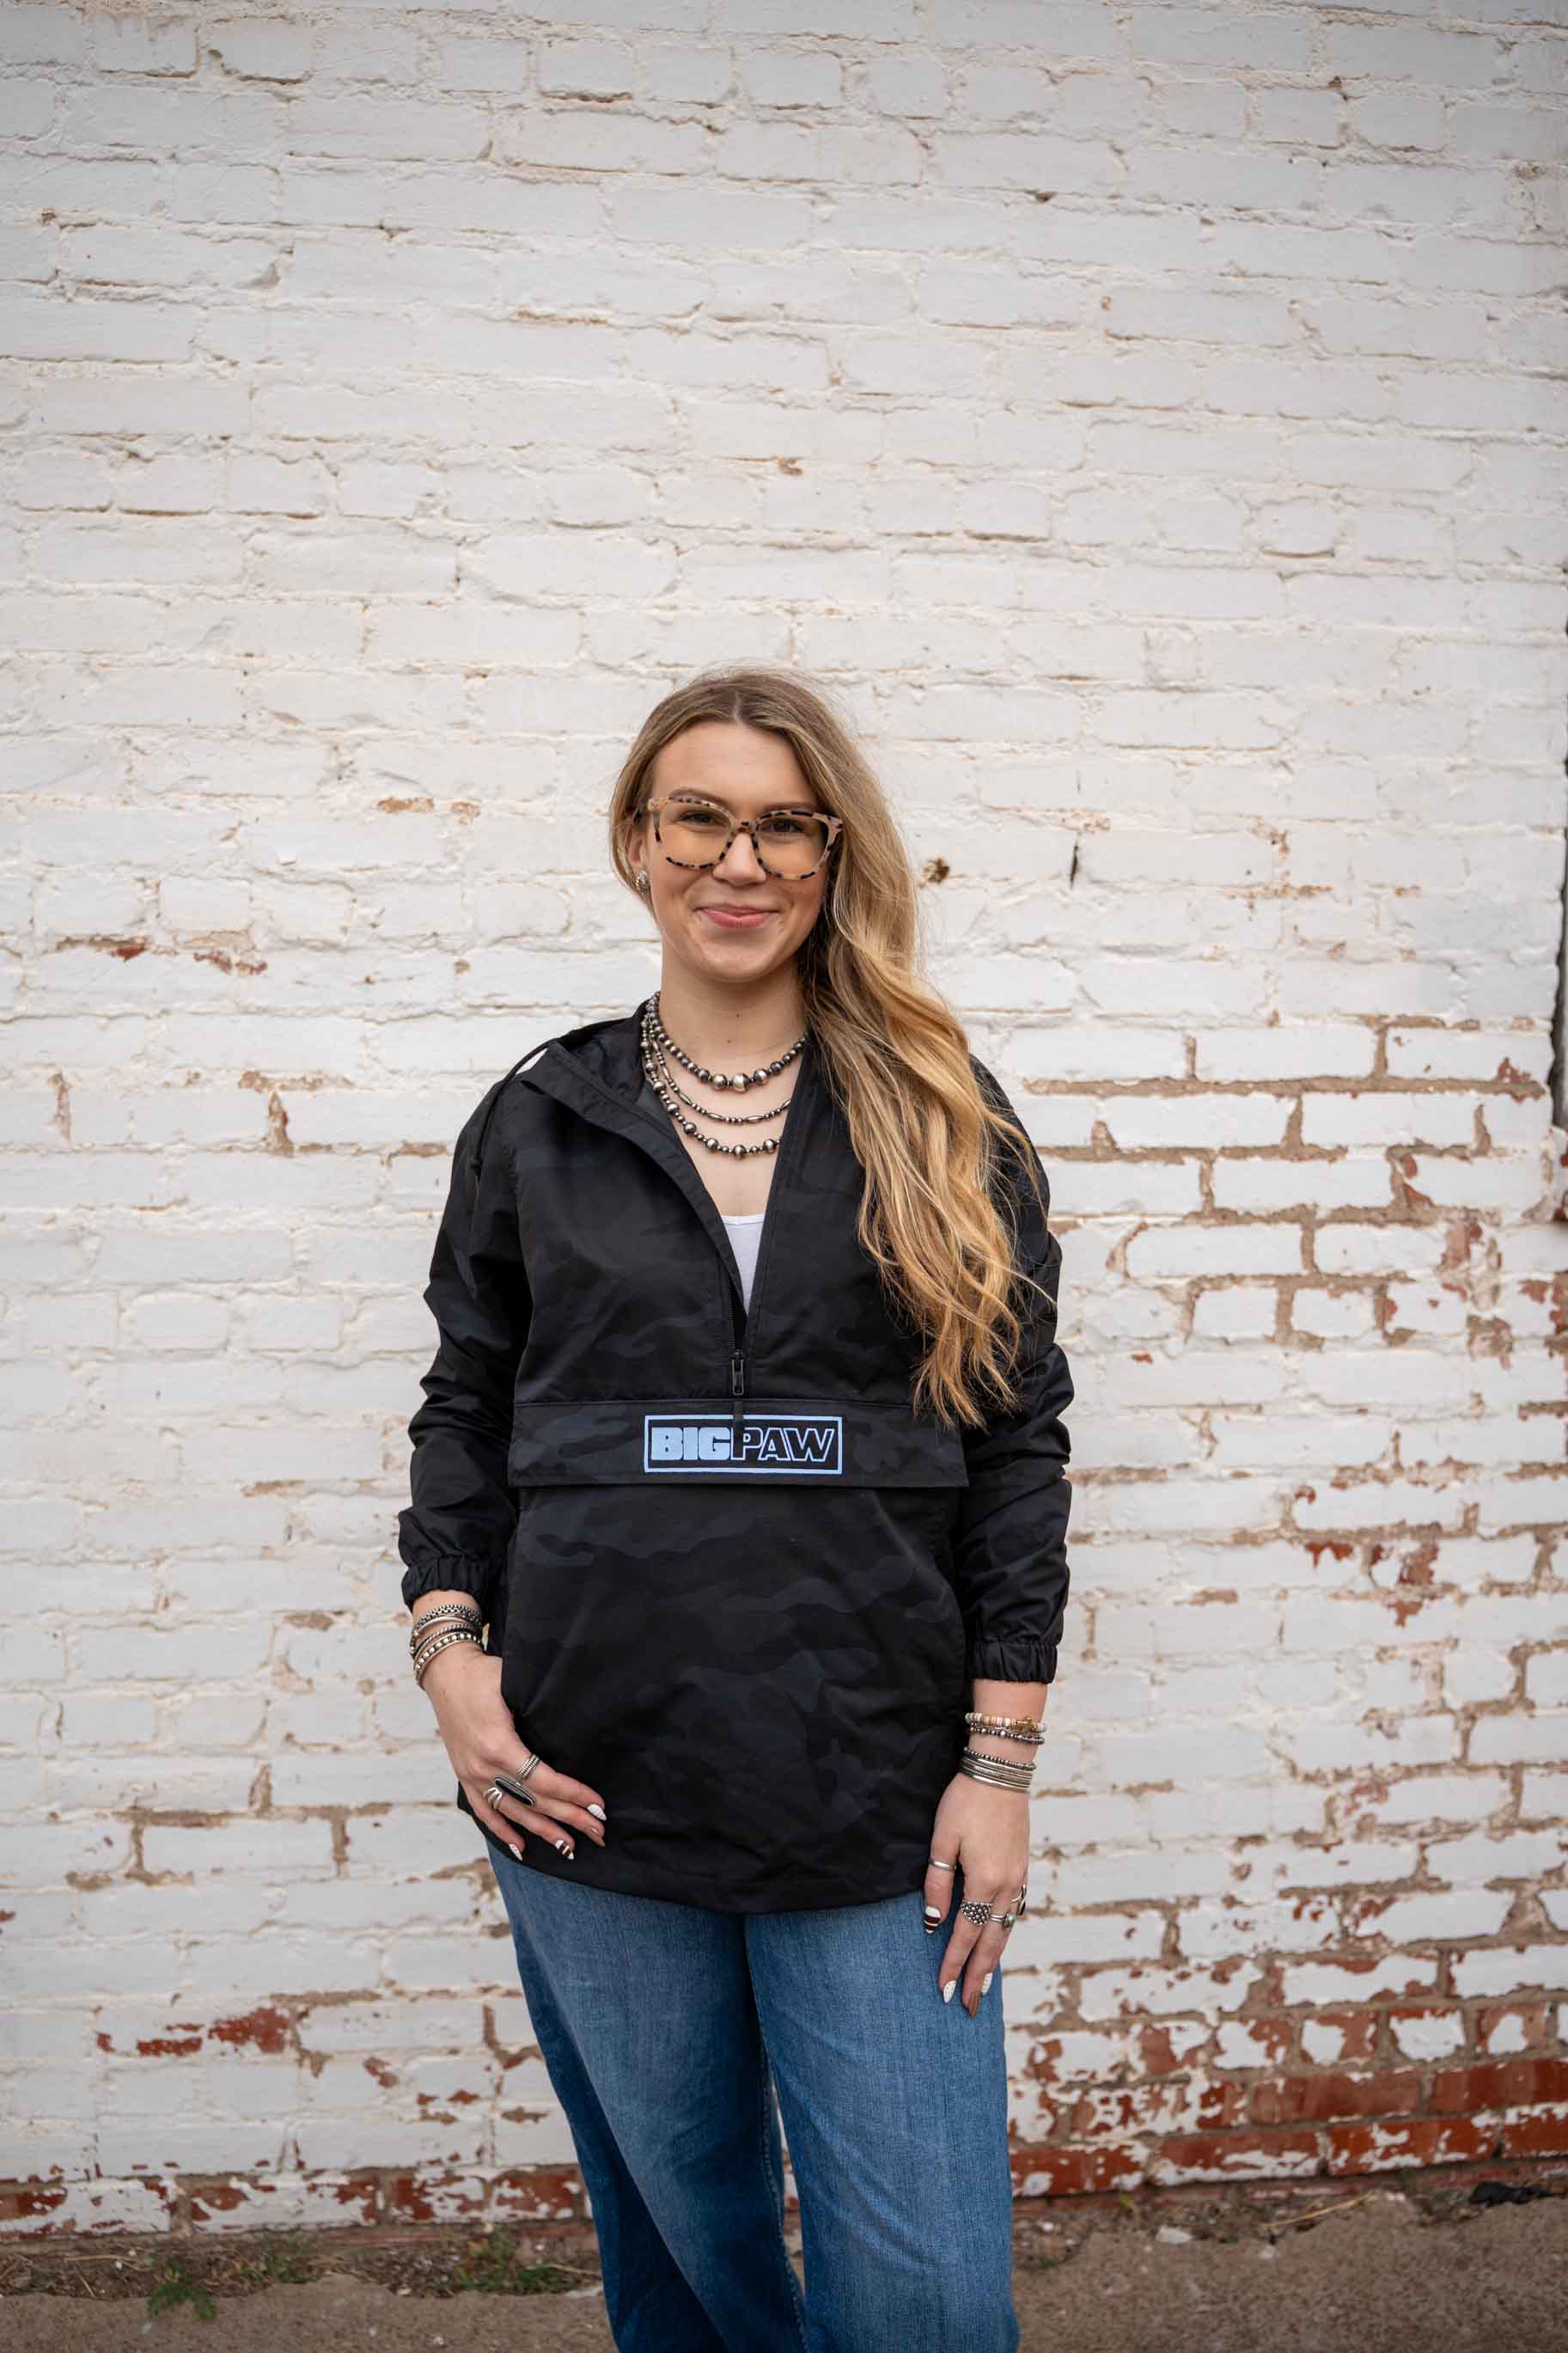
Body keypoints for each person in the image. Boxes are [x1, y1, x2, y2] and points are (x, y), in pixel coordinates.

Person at [394, 665, 1074, 2353]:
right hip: (589, 1782)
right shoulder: (540, 1119)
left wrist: (997, 1765)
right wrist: (451, 1657)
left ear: (834, 855)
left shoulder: (941, 1112)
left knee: (926, 2298)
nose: (739, 858)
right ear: (638, 839)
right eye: (698, 816)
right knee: (688, 2267)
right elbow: (466, 1406)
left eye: (784, 824)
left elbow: (1014, 1443)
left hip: (873, 1786)